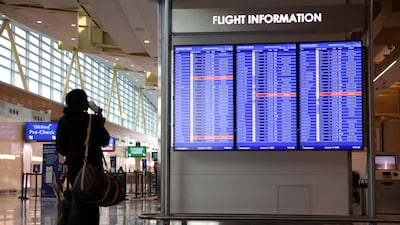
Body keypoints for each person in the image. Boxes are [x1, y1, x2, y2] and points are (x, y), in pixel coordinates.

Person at [56, 89, 110, 225]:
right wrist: (99, 115)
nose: (87, 102)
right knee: (92, 202)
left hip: (75, 169)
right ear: (82, 103)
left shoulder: (63, 121)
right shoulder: (92, 120)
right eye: (85, 100)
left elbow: (60, 147)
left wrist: (73, 153)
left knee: (77, 199)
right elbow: (105, 140)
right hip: (92, 168)